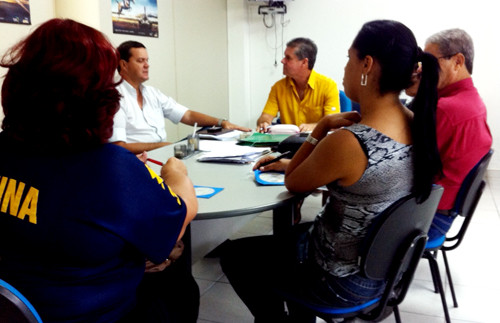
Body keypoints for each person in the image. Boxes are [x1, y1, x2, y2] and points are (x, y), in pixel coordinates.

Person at [221, 20, 442, 322]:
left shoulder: (349, 141)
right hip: (385, 271)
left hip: (339, 280)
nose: (344, 68)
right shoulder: (417, 122)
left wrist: (322, 127)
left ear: (366, 64)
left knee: (236, 255)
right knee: (295, 235)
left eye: (349, 58)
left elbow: (294, 182)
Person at [0, 18, 199, 323]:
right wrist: (176, 173)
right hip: (97, 313)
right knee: (176, 275)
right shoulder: (109, 167)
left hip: (14, 309)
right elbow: (182, 214)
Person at [411, 29, 492, 240]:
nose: (423, 70)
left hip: (430, 217)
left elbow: (404, 160)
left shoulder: (446, 109)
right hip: (445, 210)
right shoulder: (471, 100)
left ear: (457, 61)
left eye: (429, 62)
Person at [110, 41, 251, 154]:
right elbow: (119, 146)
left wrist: (221, 122)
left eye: (147, 60)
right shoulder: (114, 97)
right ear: (124, 65)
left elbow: (187, 115)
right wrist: (162, 146)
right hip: (135, 161)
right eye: (141, 61)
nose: (147, 65)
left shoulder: (152, 93)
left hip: (161, 154)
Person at [256, 37, 341, 133]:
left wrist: (313, 126)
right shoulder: (278, 87)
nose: (282, 61)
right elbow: (265, 116)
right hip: (287, 143)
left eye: (288, 58)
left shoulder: (328, 86)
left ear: (304, 62)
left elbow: (333, 124)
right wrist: (264, 122)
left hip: (318, 143)